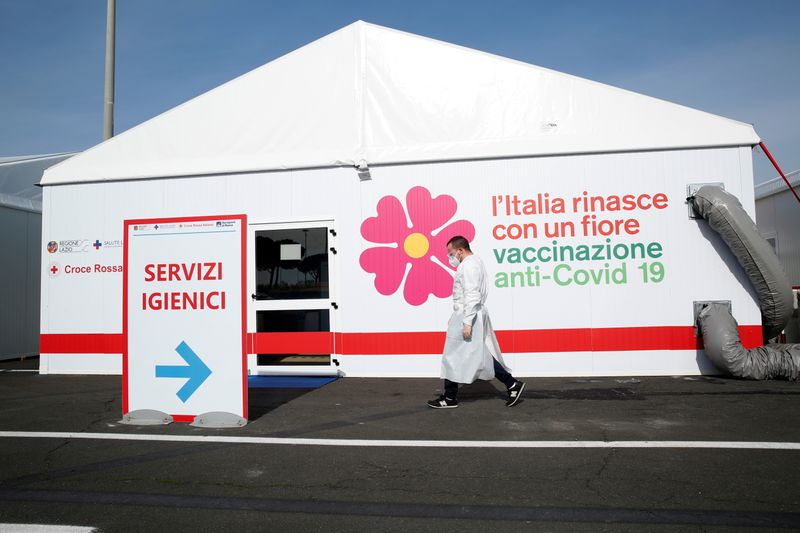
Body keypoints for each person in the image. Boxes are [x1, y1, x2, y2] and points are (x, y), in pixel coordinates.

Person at [428, 235, 525, 409]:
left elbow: (472, 294)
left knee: (452, 356)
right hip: (468, 313)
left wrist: (466, 322)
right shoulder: (474, 262)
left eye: (450, 253)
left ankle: (450, 397)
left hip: (469, 315)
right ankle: (512, 384)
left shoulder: (469, 265)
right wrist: (457, 315)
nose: (450, 258)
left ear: (460, 250)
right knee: (478, 355)